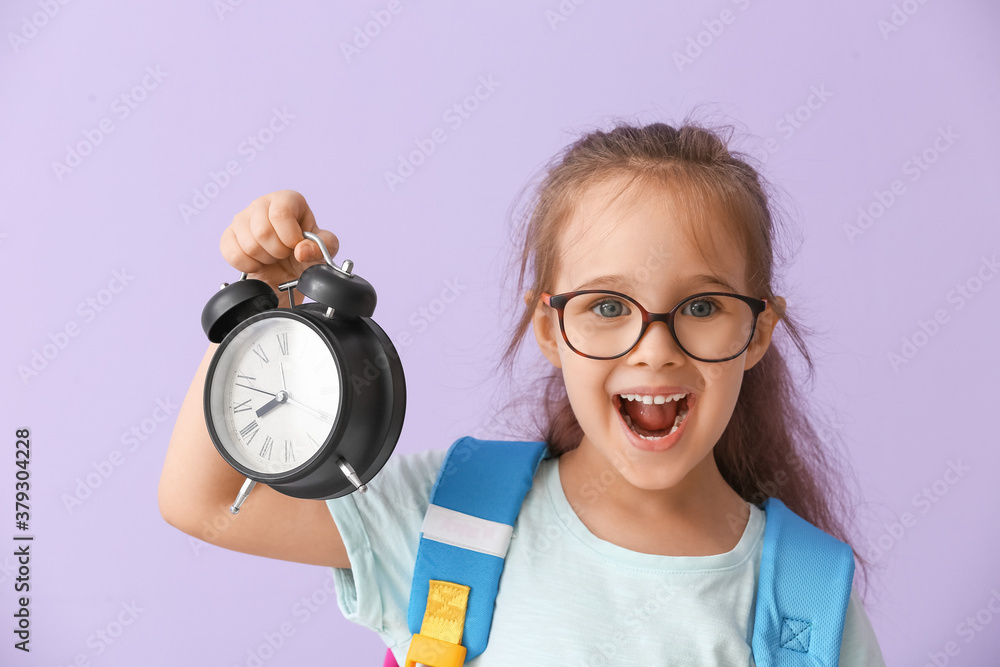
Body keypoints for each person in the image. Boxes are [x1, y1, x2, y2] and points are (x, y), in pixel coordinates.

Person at [159, 118, 886, 665]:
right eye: (606, 306)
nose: (655, 348)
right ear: (548, 326)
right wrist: (272, 306)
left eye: (701, 307)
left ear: (758, 332)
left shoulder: (809, 605)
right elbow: (203, 502)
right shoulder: (448, 516)